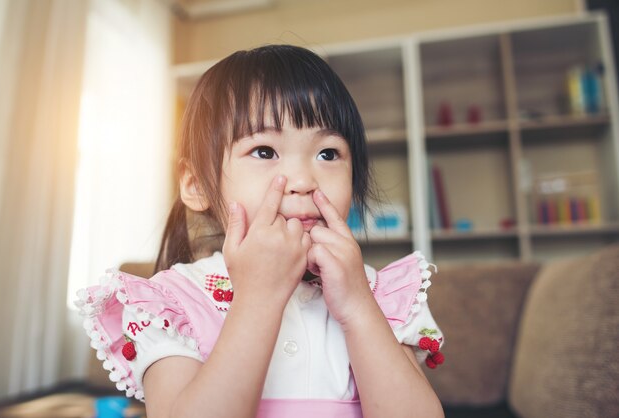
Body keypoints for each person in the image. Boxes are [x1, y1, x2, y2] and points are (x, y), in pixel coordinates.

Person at [76, 44, 445, 418]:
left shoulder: (379, 296)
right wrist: (257, 299)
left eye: (328, 153)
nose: (302, 181)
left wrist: (356, 307)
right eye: (265, 151)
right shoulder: (173, 303)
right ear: (196, 185)